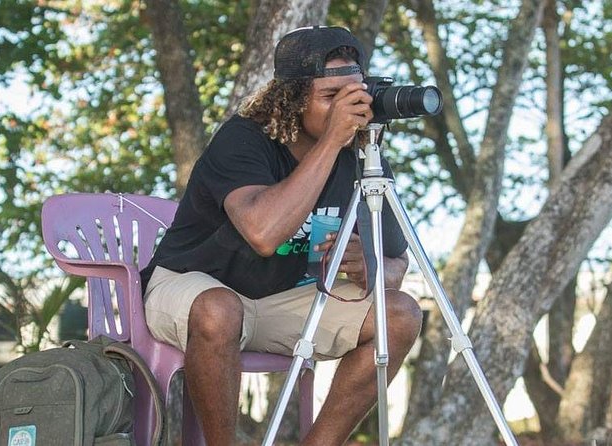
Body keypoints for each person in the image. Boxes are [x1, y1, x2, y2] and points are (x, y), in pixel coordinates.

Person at [140, 25, 423, 445]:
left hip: (277, 300)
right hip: (193, 287)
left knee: (399, 314)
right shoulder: (243, 140)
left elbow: (398, 265)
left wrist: (373, 266)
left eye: (354, 94)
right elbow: (263, 233)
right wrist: (332, 142)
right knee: (219, 310)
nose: (348, 111)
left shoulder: (363, 153)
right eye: (330, 98)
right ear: (291, 99)